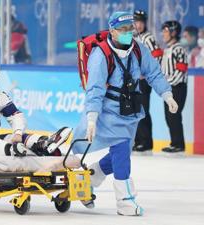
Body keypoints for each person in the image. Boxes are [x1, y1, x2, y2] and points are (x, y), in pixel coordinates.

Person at [71, 12, 178, 216]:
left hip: (130, 110)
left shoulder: (138, 48)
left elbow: (154, 72)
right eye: (123, 29)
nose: (129, 32)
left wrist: (167, 94)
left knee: (121, 153)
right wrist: (92, 117)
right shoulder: (101, 54)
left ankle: (89, 179)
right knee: (121, 151)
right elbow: (94, 89)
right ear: (112, 31)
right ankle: (125, 201)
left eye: (131, 28)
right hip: (109, 111)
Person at [132, 10, 163, 155]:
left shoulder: (149, 38)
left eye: (141, 22)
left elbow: (157, 57)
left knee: (143, 110)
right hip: (133, 81)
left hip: (143, 81)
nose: (138, 25)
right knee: (134, 111)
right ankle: (138, 140)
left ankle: (146, 142)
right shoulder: (130, 38)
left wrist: (147, 73)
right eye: (136, 22)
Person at [160, 21, 188, 155]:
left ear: (173, 32)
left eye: (166, 31)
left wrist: (168, 83)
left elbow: (181, 70)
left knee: (174, 116)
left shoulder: (178, 48)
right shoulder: (167, 49)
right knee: (169, 116)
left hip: (177, 87)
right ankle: (175, 143)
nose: (163, 34)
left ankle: (178, 145)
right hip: (169, 88)